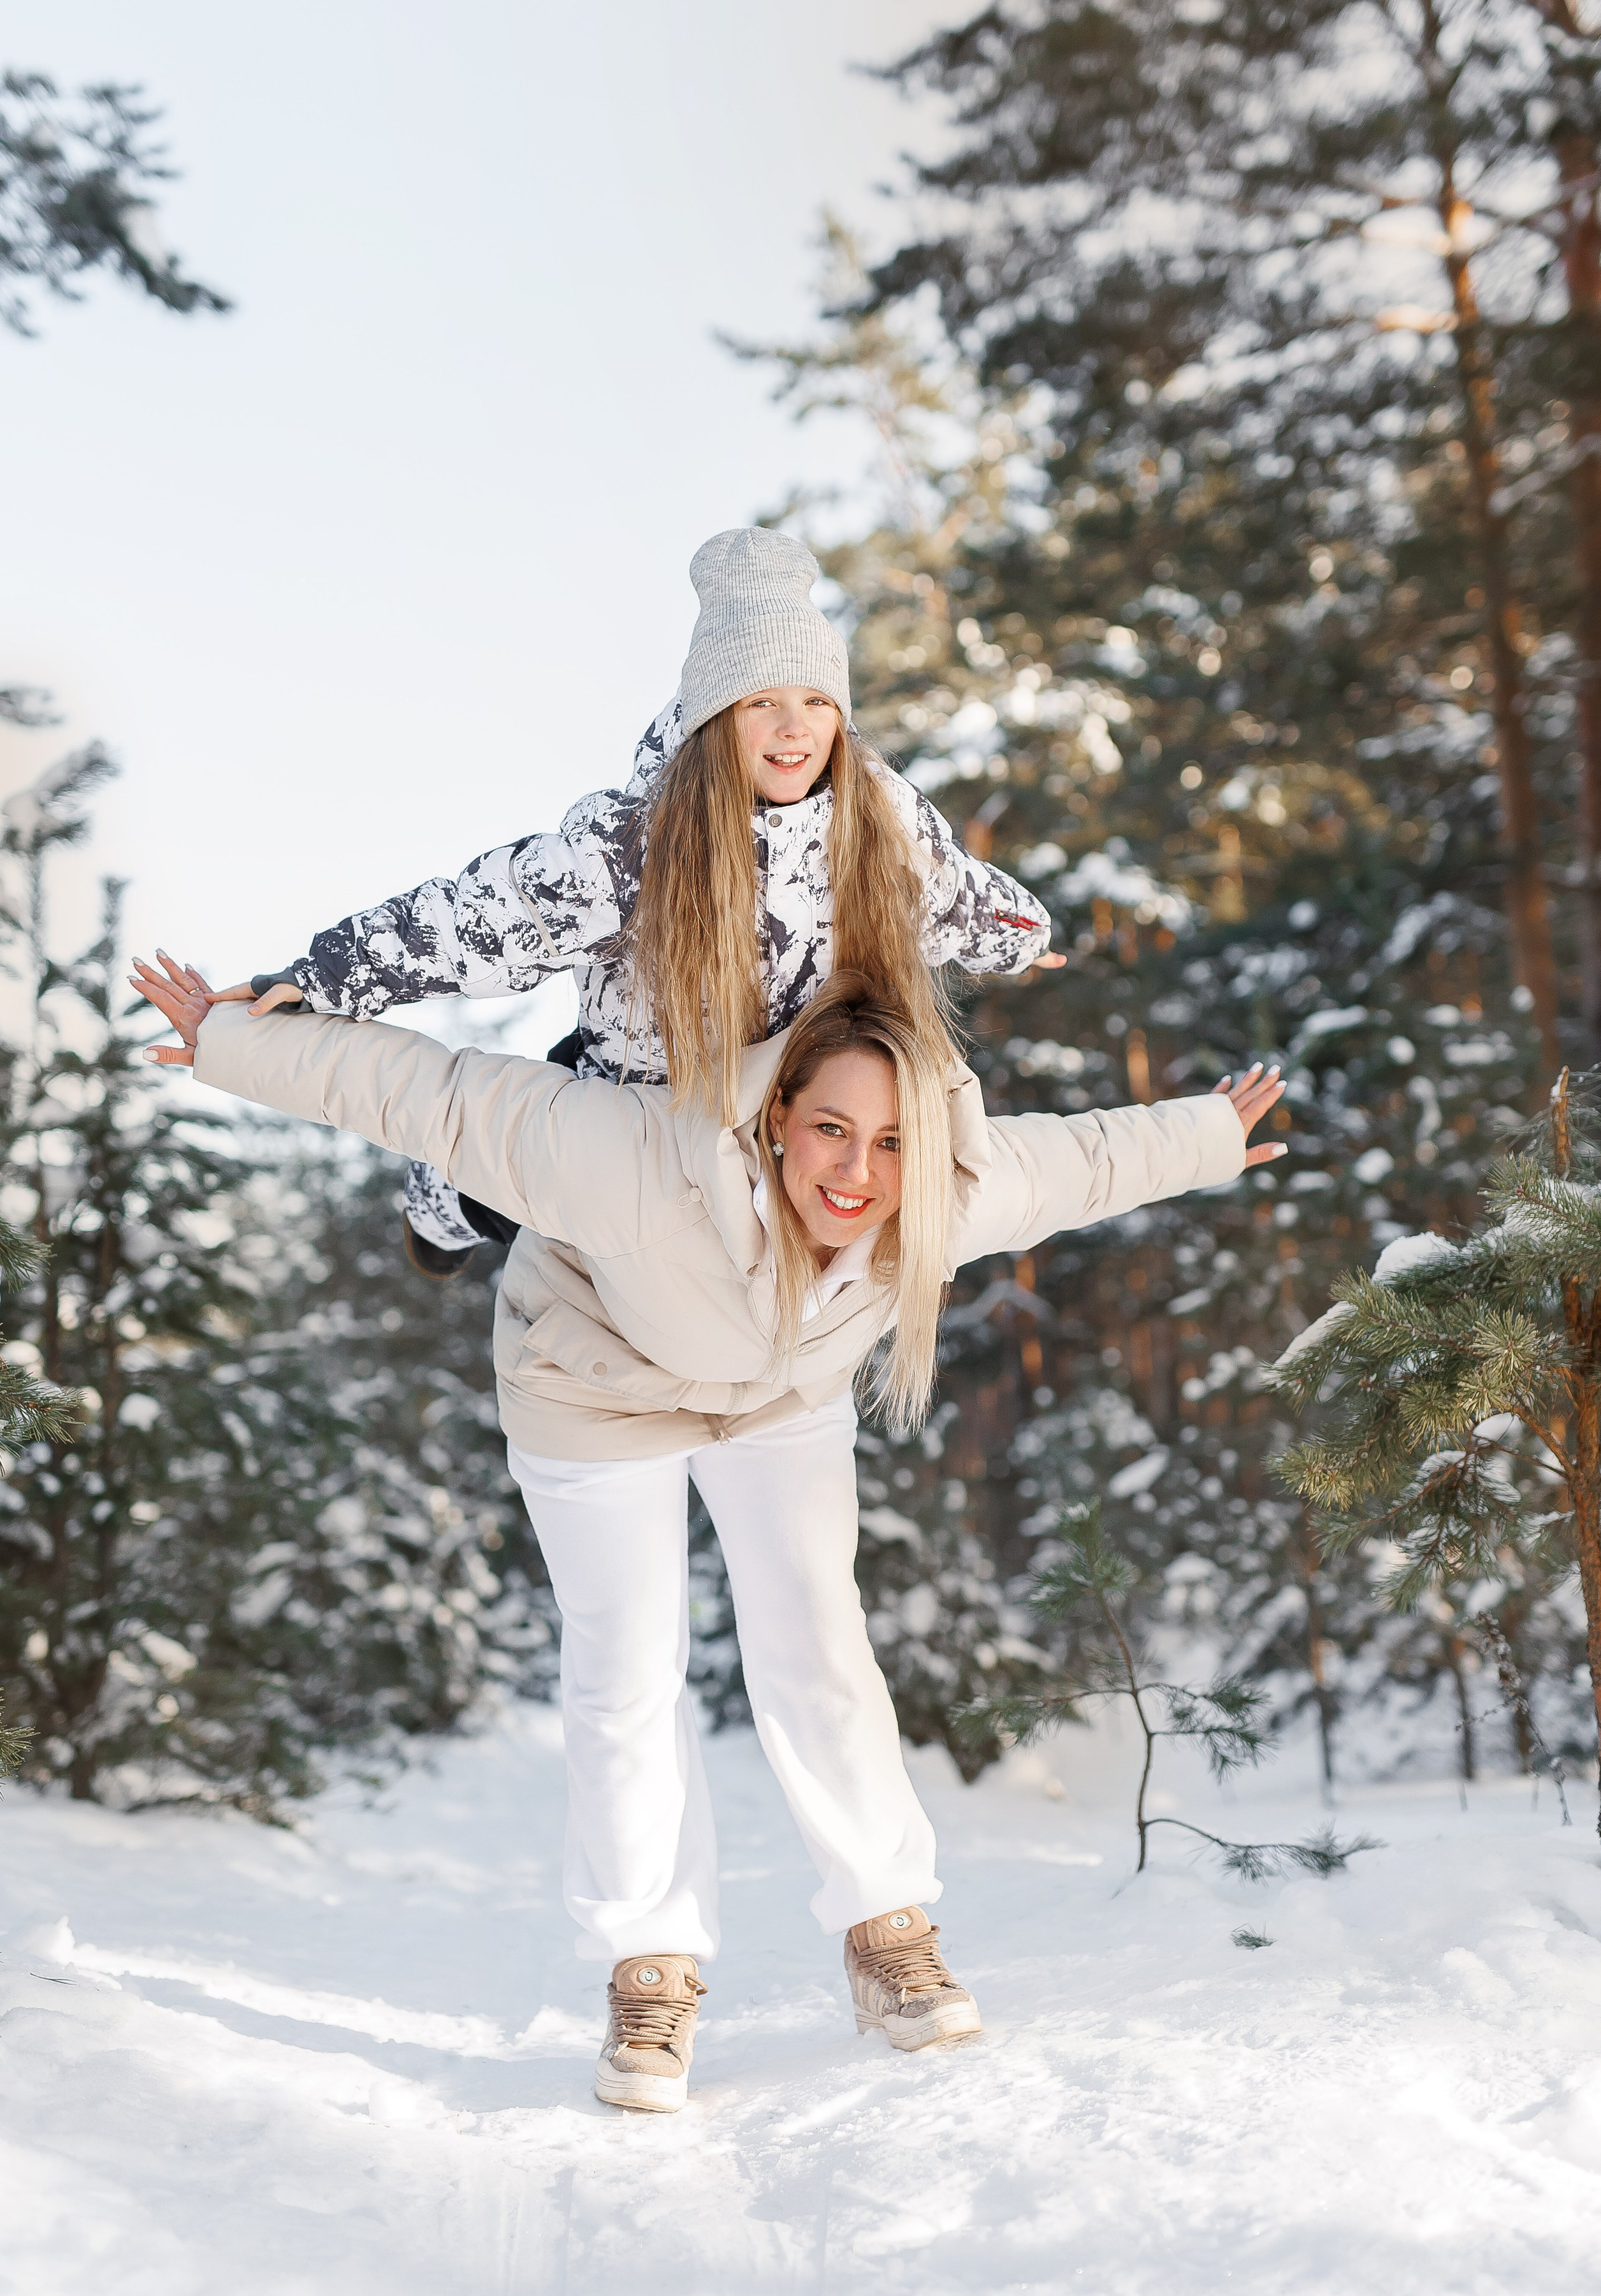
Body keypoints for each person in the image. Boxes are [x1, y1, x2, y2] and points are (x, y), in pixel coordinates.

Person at [132, 955, 1287, 2117]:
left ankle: (886, 1929)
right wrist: (236, 1046)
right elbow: (435, 1092)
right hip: (592, 1378)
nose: (858, 1172)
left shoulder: (939, 1189)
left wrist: (1206, 1135)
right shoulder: (634, 1154)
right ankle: (652, 1962)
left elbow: (1078, 1160)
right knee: (630, 1667)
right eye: (832, 1129)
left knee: (818, 1636)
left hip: (776, 1388)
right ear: (776, 1113)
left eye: (890, 1144)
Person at [209, 525, 1059, 1275]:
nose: (794, 729)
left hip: (782, 1111)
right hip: (633, 1101)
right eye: (762, 703)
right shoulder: (640, 846)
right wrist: (324, 974)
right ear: (717, 716)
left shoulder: (877, 821)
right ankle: (444, 1200)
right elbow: (478, 922)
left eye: (814, 704)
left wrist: (1024, 935)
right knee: (527, 1189)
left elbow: (954, 896)